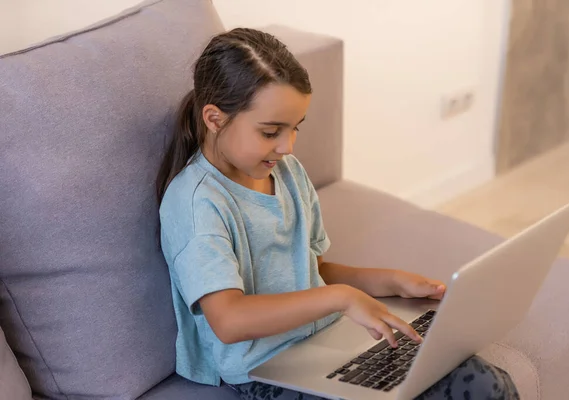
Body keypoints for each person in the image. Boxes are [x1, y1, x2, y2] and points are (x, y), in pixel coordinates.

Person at [156, 27, 520, 400]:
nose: (287, 146)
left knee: (487, 383)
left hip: (325, 340)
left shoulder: (287, 172)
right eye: (270, 132)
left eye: (295, 128)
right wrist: (341, 298)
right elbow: (229, 321)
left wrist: (390, 282)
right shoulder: (196, 204)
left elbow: (312, 271)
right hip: (265, 369)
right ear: (215, 119)